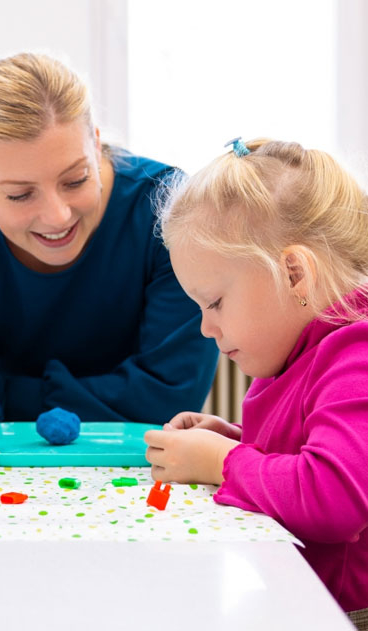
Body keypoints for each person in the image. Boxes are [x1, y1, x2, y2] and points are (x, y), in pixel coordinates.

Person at [0, 52, 218, 469]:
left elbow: (169, 396)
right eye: (20, 194)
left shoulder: (171, 210)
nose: (58, 216)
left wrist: (1, 396)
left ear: (96, 143)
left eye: (76, 179)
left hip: (143, 470)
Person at [144, 138, 368, 624]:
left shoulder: (356, 354)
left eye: (216, 303)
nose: (206, 328)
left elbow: (334, 497)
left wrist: (226, 463)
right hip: (307, 600)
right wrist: (240, 442)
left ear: (293, 273)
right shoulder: (300, 350)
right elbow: (315, 453)